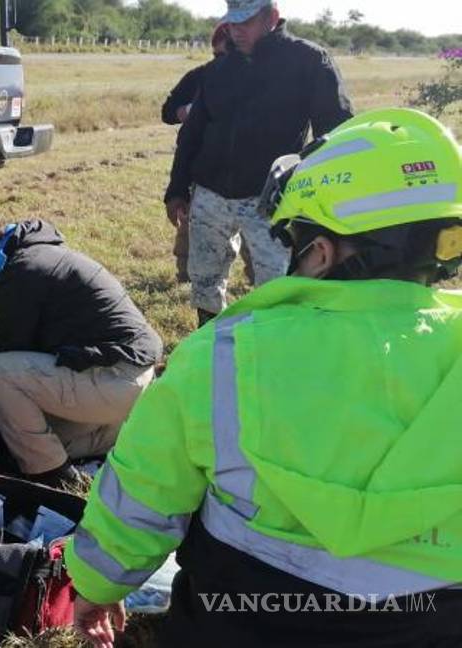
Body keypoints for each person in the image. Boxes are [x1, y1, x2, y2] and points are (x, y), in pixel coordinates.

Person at [66, 108, 462, 648]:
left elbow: (142, 491)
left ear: (320, 253)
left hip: (239, 619)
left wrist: (97, 583)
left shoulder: (225, 354)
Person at [164, 0, 353, 326]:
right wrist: (177, 188)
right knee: (205, 279)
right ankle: (209, 339)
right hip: (211, 195)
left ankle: (270, 347)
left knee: (277, 285)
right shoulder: (218, 70)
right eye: (232, 22)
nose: (236, 30)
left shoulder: (308, 62)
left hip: (270, 199)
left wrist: (324, 198)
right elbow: (192, 134)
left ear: (272, 18)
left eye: (246, 22)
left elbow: (335, 134)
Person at [0, 213, 164, 487]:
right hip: (138, 373)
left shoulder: (12, 279)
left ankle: (51, 474)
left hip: (116, 379)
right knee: (37, 435)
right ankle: (121, 432)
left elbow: (10, 353)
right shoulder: (36, 250)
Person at [161, 23, 255, 286]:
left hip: (247, 174)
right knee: (191, 226)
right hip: (201, 166)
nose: (222, 63)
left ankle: (257, 280)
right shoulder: (201, 76)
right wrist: (189, 112)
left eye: (227, 56)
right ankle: (187, 278)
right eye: (217, 56)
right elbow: (168, 111)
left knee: (252, 234)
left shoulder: (258, 79)